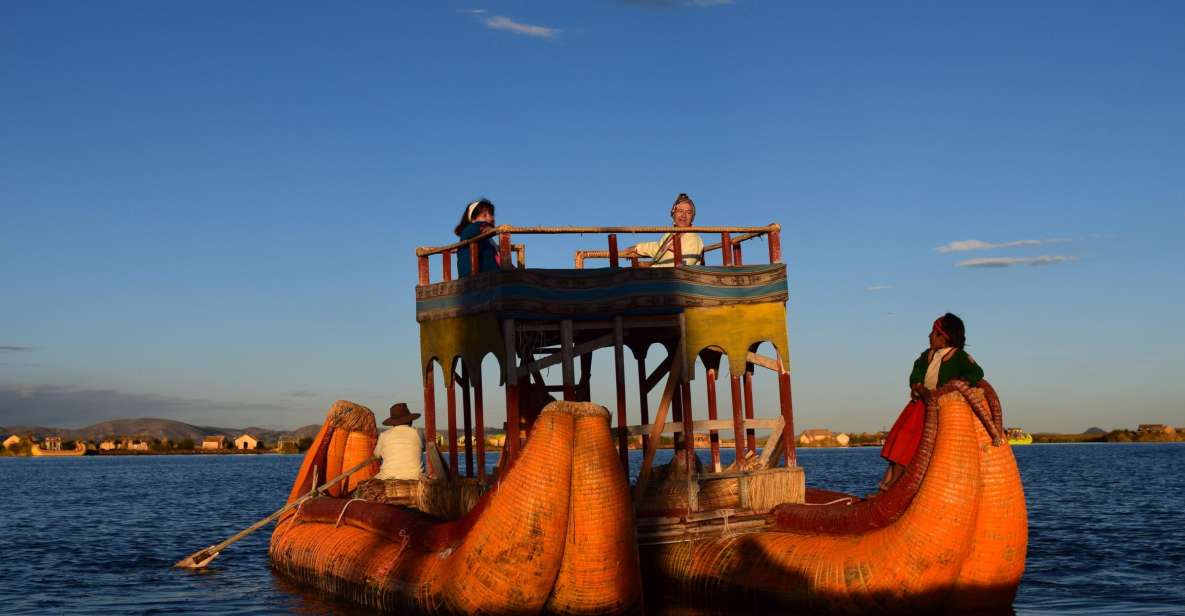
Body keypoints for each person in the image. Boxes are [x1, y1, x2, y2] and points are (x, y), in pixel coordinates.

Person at [878, 313, 984, 490]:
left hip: (937, 409)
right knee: (900, 439)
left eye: (933, 333)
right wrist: (917, 386)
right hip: (918, 407)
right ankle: (886, 485)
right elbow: (916, 373)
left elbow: (977, 373)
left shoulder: (959, 356)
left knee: (909, 444)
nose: (929, 336)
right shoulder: (926, 356)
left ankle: (893, 485)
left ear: (944, 337)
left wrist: (960, 383)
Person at [624, 193, 704, 267]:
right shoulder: (671, 234)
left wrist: (650, 267)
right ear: (673, 214)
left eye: (688, 212)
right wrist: (637, 248)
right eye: (680, 211)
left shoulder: (693, 239)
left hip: (670, 279)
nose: (683, 215)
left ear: (692, 217)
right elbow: (658, 248)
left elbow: (683, 267)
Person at [373, 403, 424, 480]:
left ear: (393, 423)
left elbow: (376, 455)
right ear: (410, 421)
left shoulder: (384, 435)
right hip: (415, 477)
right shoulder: (418, 433)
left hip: (388, 477)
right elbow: (424, 448)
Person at [455, 199, 500, 277]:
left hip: (492, 275)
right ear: (473, 220)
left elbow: (498, 258)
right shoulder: (469, 231)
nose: (491, 218)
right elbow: (469, 231)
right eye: (484, 215)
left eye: (491, 215)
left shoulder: (489, 240)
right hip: (473, 277)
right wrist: (482, 226)